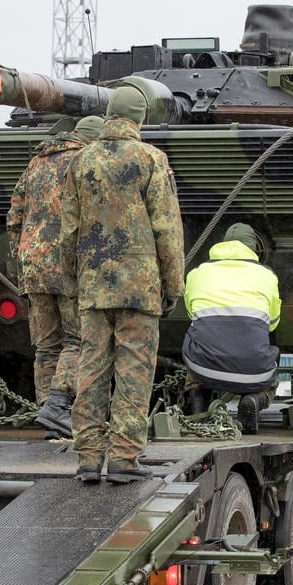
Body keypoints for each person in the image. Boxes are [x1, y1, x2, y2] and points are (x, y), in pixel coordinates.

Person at [59, 85, 185, 484]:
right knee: (133, 370)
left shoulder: (81, 162)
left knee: (92, 369)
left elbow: (68, 230)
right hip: (139, 287)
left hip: (94, 286)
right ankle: (125, 457)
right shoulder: (151, 159)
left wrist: (72, 280)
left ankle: (88, 457)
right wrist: (173, 284)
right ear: (140, 119)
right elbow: (167, 229)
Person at [7, 115, 103, 438]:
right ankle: (60, 407)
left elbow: (14, 215)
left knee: (47, 346)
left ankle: (49, 419)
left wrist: (22, 257)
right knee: (78, 340)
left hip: (33, 263)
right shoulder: (86, 161)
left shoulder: (37, 162)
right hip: (68, 264)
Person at [182, 222, 281, 433]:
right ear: (254, 248)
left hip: (203, 368)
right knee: (268, 356)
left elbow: (192, 314)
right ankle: (254, 399)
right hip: (255, 373)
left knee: (196, 334)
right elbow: (272, 323)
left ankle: (198, 406)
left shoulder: (197, 273)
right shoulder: (268, 276)